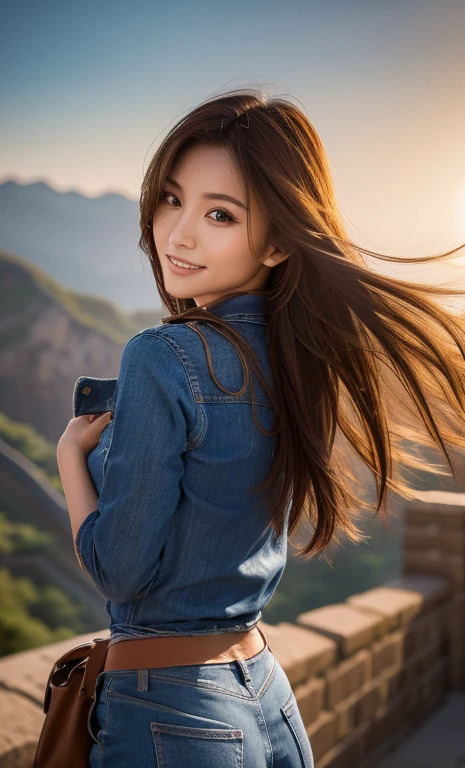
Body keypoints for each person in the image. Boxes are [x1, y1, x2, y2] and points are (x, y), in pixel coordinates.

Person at [57, 88, 465, 768]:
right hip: (267, 698)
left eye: (220, 214)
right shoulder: (296, 359)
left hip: (171, 712)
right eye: (171, 198)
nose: (179, 233)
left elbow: (120, 571)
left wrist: (72, 458)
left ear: (278, 241)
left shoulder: (161, 356)